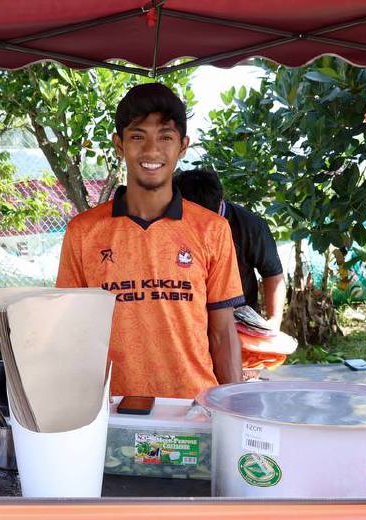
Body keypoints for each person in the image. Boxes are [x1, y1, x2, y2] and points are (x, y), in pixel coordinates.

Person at [56, 84, 243, 400]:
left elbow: (223, 333)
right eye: (138, 136)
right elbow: (71, 332)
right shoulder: (83, 232)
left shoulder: (213, 229)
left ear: (182, 146)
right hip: (111, 410)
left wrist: (236, 411)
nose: (152, 151)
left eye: (166, 137)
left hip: (193, 409)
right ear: (119, 144)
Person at [175, 168, 286, 327]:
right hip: (188, 319)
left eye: (206, 221)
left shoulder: (251, 226)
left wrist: (274, 322)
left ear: (220, 201)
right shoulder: (169, 220)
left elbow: (273, 275)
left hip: (238, 320)